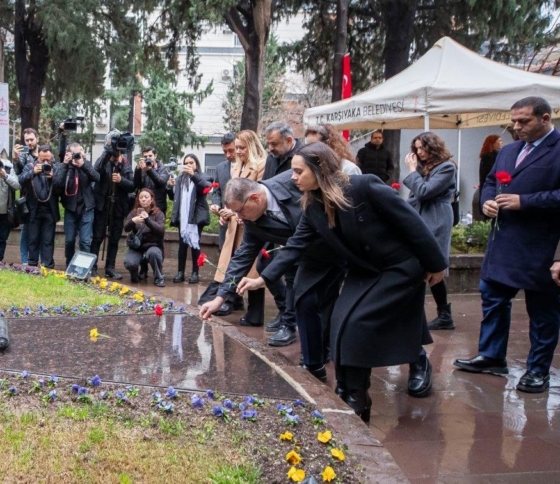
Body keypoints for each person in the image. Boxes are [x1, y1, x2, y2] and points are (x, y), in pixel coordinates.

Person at [235, 142, 447, 422]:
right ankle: (347, 392)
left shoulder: (364, 186)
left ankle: (360, 396)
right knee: (340, 325)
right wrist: (262, 279)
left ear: (319, 169)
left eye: (299, 171)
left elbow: (412, 223)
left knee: (359, 324)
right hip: (364, 270)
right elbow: (295, 247)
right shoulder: (312, 207)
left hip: (398, 267)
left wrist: (437, 264)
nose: (293, 177)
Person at [455, 97, 560, 394]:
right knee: (492, 298)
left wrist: (524, 201)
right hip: (504, 242)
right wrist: (487, 200)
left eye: (523, 121)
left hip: (543, 245)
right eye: (513, 120)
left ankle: (538, 370)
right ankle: (491, 355)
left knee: (543, 311)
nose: (515, 127)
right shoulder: (509, 150)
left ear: (545, 118)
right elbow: (490, 181)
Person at [199, 174, 344, 372]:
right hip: (304, 257)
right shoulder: (252, 220)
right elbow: (242, 257)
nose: (239, 218)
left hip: (333, 246)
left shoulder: (293, 184)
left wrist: (262, 279)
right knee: (306, 301)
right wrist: (220, 297)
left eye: (239, 211)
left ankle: (325, 355)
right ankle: (314, 363)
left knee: (328, 304)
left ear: (255, 198)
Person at [403, 132, 457, 331]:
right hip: (421, 215)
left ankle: (444, 315)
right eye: (416, 148)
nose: (419, 152)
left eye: (423, 147)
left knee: (433, 263)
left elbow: (425, 192)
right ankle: (442, 314)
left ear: (433, 147)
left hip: (436, 217)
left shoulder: (447, 167)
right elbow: (415, 195)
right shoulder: (423, 168)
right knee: (423, 264)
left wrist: (411, 170)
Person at [214, 130, 269, 323]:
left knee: (253, 268)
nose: (237, 152)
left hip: (250, 222)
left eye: (241, 148)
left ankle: (255, 313)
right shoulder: (236, 166)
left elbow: (260, 196)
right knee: (232, 263)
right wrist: (225, 213)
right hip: (234, 224)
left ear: (252, 146)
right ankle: (230, 298)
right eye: (236, 147)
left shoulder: (262, 165)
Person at [91, 138, 135, 279]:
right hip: (103, 206)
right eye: (114, 154)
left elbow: (132, 186)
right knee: (97, 237)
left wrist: (121, 180)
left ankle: (110, 267)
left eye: (118, 154)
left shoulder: (126, 165)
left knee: (114, 239)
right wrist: (107, 151)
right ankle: (93, 266)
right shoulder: (104, 161)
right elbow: (96, 172)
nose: (116, 157)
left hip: (118, 207)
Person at [167, 153, 210, 284]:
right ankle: (180, 272)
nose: (188, 165)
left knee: (195, 244)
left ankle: (195, 273)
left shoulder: (203, 177)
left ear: (196, 164)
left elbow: (205, 188)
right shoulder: (180, 179)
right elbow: (173, 198)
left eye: (191, 162)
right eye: (186, 163)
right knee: (182, 245)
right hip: (183, 216)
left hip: (196, 217)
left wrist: (193, 175)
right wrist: (170, 187)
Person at [57, 143, 100, 266]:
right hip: (71, 209)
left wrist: (83, 165)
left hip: (86, 208)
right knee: (69, 241)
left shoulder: (86, 164)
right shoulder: (65, 166)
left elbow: (97, 177)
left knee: (85, 241)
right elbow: (57, 183)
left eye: (79, 152)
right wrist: (65, 164)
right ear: (68, 154)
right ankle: (69, 265)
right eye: (74, 153)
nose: (76, 155)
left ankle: (84, 268)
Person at [18, 146, 61, 268]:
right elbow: (20, 180)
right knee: (33, 239)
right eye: (43, 160)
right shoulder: (30, 166)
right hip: (33, 209)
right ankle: (32, 265)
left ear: (52, 157)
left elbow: (61, 187)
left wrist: (53, 178)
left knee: (48, 240)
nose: (46, 163)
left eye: (48, 159)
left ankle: (47, 265)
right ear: (38, 157)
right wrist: (33, 173)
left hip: (49, 210)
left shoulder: (56, 168)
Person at [123, 189, 167, 286]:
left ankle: (159, 278)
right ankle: (135, 276)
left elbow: (161, 231)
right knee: (129, 262)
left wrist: (147, 220)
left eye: (146, 197)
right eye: (141, 197)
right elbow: (126, 228)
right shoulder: (134, 213)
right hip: (137, 246)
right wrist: (133, 221)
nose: (143, 199)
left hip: (153, 246)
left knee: (153, 254)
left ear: (151, 200)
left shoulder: (158, 214)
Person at [13, 128, 41, 266]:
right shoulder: (23, 155)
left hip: (42, 197)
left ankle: (38, 258)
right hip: (27, 197)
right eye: (27, 140)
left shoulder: (44, 153)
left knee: (39, 231)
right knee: (26, 230)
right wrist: (16, 159)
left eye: (31, 140)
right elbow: (19, 175)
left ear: (37, 139)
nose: (29, 143)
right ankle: (25, 260)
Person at [213, 133, 237, 246]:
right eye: (225, 151)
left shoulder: (250, 167)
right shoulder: (220, 168)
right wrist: (216, 204)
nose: (228, 155)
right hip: (225, 222)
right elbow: (216, 191)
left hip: (242, 223)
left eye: (231, 150)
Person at [133, 146, 171, 215]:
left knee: (157, 226)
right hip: (144, 206)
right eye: (145, 156)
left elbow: (160, 182)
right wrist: (138, 170)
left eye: (150, 156)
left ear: (155, 156)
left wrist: (149, 169)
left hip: (158, 207)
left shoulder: (163, 169)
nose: (148, 158)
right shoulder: (142, 169)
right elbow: (136, 185)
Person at [472, 134, 502, 221]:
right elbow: (489, 175)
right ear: (492, 143)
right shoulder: (489, 157)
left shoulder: (494, 155)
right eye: (499, 141)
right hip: (490, 189)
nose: (502, 142)